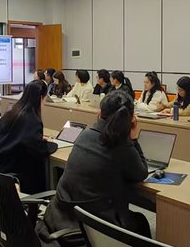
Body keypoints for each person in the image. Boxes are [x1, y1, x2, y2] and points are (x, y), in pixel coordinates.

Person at [42, 90, 152, 238]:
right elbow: (142, 173)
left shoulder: (85, 134)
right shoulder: (122, 145)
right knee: (140, 222)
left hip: (61, 215)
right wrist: (133, 138)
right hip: (94, 225)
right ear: (130, 119)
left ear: (100, 113)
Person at [0, 80, 57, 195]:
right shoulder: (32, 120)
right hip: (17, 176)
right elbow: (36, 149)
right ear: (41, 98)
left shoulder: (11, 113)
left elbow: (21, 138)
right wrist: (51, 144)